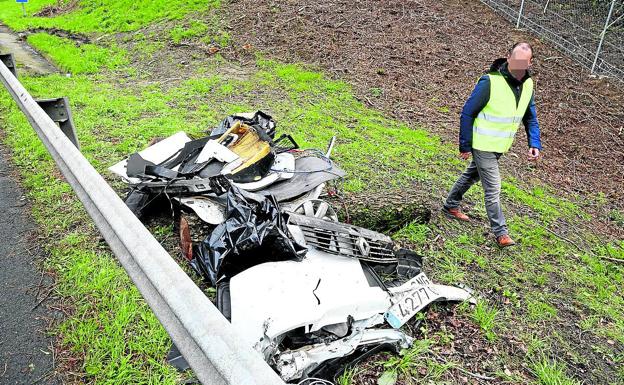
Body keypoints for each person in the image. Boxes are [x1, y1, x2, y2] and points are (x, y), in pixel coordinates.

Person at [443, 42, 542, 247]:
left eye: (524, 61)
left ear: (530, 62)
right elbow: (468, 112)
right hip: (482, 144)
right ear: (508, 57)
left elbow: (530, 117)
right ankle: (501, 233)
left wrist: (534, 142)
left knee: (471, 175)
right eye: (516, 59)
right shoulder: (490, 82)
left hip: (500, 146)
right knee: (493, 188)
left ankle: (450, 205)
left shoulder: (528, 85)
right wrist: (465, 144)